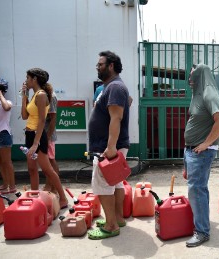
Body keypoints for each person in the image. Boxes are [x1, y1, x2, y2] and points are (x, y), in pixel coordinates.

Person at [87, 51, 131, 240]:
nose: (97, 67)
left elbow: (116, 117)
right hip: (109, 145)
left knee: (103, 184)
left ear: (111, 66)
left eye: (100, 64)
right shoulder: (111, 87)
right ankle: (118, 218)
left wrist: (111, 147)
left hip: (108, 147)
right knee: (115, 182)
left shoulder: (114, 87)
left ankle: (111, 225)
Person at [184, 64, 219, 247]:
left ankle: (202, 231)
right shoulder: (198, 93)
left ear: (201, 74)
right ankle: (202, 223)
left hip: (201, 152)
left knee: (197, 190)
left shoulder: (209, 93)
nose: (189, 78)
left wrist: (206, 143)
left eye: (192, 74)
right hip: (192, 150)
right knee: (199, 189)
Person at [20, 68, 68, 209]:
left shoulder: (41, 95)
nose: (26, 81)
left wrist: (36, 143)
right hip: (29, 134)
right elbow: (24, 116)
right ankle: (35, 198)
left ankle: (63, 198)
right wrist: (24, 96)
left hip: (37, 136)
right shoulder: (34, 95)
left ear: (34, 79)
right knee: (32, 169)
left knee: (47, 170)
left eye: (28, 78)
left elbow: (42, 120)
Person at [42, 91, 60, 193]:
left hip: (47, 134)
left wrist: (48, 137)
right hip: (41, 134)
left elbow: (53, 118)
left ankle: (52, 187)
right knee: (47, 161)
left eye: (28, 78)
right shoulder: (39, 93)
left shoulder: (50, 95)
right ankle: (51, 186)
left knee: (50, 161)